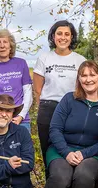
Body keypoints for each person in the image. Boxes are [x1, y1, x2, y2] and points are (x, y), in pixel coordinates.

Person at [40, 60, 98, 188]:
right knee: (60, 176)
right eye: (83, 75)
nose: (88, 79)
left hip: (94, 153)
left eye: (92, 74)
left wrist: (84, 154)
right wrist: (66, 153)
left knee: (84, 174)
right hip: (61, 149)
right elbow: (55, 129)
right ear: (78, 79)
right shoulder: (69, 99)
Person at [33, 20, 86, 170]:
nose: (63, 37)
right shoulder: (44, 58)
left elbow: (84, 86)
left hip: (73, 108)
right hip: (48, 109)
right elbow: (37, 90)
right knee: (48, 151)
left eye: (67, 34)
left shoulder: (80, 60)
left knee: (70, 150)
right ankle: (52, 186)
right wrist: (42, 107)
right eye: (59, 34)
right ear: (53, 36)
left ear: (72, 37)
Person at [0, 29, 33, 132]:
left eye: (5, 42)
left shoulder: (21, 64)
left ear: (10, 45)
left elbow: (28, 93)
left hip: (19, 120)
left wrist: (20, 116)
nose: (2, 45)